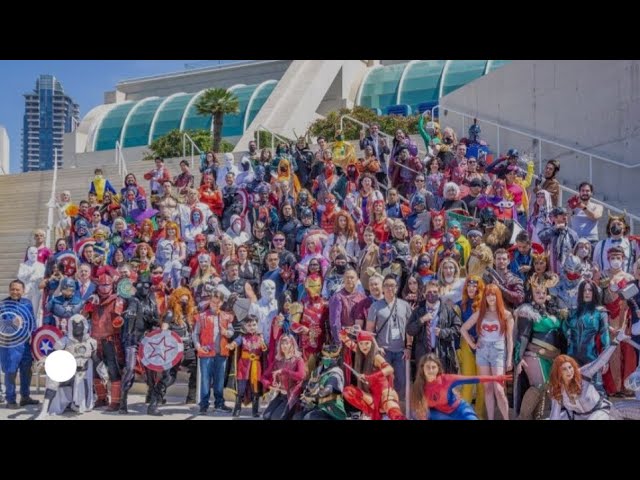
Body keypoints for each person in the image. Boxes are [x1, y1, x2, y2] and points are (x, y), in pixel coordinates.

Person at [460, 284, 514, 420]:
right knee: (488, 388)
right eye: (488, 295)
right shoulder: (480, 313)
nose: (491, 298)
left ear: (498, 296)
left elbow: (510, 339)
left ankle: (506, 418)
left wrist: (509, 359)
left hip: (498, 351)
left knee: (499, 389)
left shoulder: (506, 315)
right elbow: (463, 328)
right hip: (482, 351)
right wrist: (473, 344)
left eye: (493, 294)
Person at [549, 330, 629, 420]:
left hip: (599, 412)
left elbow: (601, 361)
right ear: (558, 373)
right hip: (576, 417)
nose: (569, 371)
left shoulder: (583, 374)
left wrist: (616, 341)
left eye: (570, 367)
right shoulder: (556, 388)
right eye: (564, 369)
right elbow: (554, 414)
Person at [410, 353, 510, 420]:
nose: (431, 370)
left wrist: (496, 377)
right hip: (441, 415)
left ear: (438, 369)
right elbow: (419, 410)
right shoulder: (418, 386)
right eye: (428, 367)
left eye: (433, 367)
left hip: (460, 410)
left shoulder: (447, 380)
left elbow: (473, 379)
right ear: (422, 368)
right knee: (418, 414)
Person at [0, 280, 39, 409]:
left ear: (23, 291)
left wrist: (35, 338)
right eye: (13, 289)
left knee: (26, 371)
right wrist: (12, 323)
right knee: (10, 372)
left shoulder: (27, 303)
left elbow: (32, 320)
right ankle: (10, 400)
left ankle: (25, 397)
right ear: (9, 290)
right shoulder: (3, 305)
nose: (15, 292)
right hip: (10, 346)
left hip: (25, 344)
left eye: (18, 290)